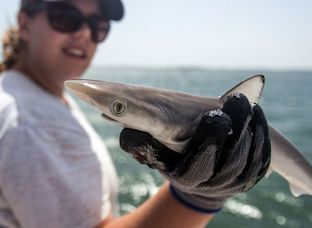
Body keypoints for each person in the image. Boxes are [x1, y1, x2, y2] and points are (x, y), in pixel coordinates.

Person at [0, 0, 271, 227]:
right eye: (65, 18)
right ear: (24, 24)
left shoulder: (32, 94)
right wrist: (200, 197)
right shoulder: (31, 123)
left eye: (98, 26)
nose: (84, 33)